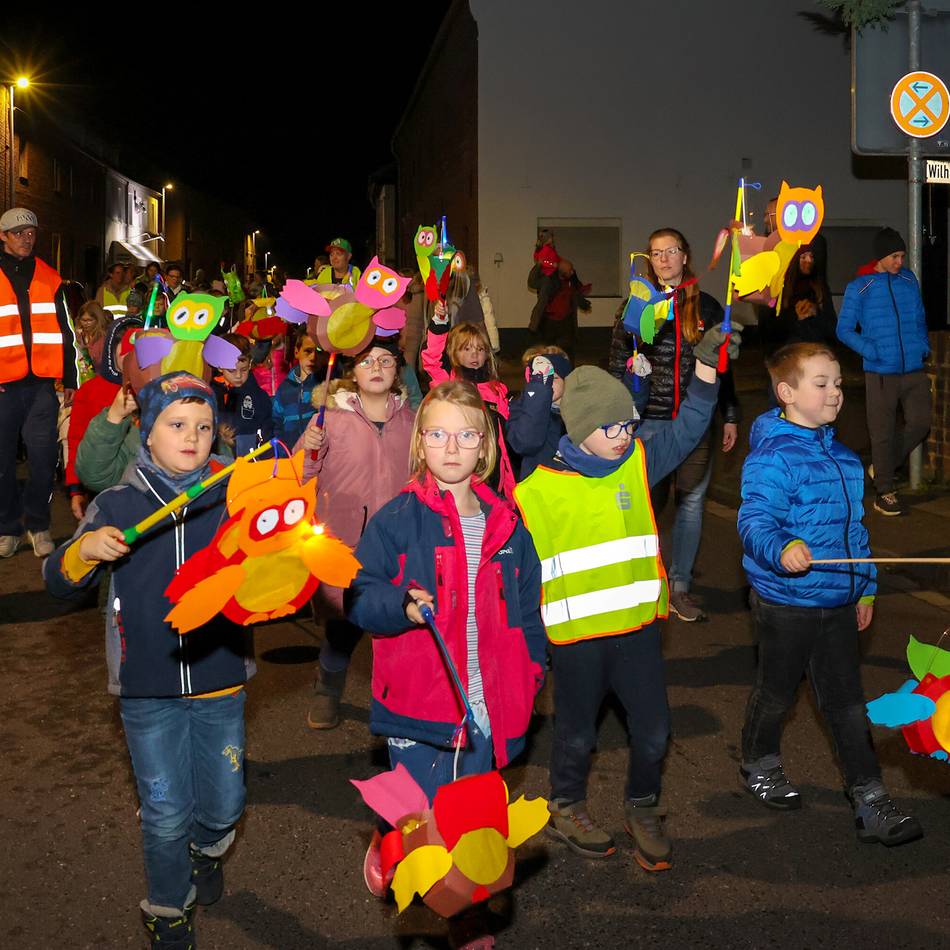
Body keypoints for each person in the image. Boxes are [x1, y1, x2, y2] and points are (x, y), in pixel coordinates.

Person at [513, 326, 738, 869]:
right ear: (581, 429)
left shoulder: (636, 463)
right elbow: (519, 578)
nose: (623, 434)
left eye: (629, 424)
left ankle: (642, 806)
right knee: (576, 734)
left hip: (637, 632)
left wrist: (706, 373)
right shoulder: (537, 490)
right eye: (611, 427)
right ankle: (566, 805)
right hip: (576, 641)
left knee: (655, 730)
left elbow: (687, 429)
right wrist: (526, 644)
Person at [45, 373, 255, 946]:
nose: (192, 437)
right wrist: (84, 550)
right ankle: (168, 908)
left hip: (219, 678)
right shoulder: (118, 502)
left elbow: (269, 571)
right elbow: (56, 582)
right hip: (146, 689)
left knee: (225, 805)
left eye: (205, 426)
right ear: (148, 429)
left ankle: (207, 848)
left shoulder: (234, 495)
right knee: (163, 813)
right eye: (177, 424)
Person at [346, 381, 545, 926]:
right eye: (437, 434)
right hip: (421, 707)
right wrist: (399, 605)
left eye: (465, 435)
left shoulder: (508, 525)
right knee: (420, 824)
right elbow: (357, 594)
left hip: (488, 708)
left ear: (484, 446)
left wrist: (533, 669)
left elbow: (530, 606)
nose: (451, 447)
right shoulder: (397, 519)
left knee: (470, 829)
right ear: (421, 443)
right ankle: (392, 837)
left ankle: (466, 923)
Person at [738, 342, 922, 846]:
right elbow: (755, 520)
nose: (835, 392)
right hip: (785, 604)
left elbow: (856, 533)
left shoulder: (843, 458)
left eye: (838, 383)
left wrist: (865, 590)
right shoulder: (771, 457)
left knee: (845, 704)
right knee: (777, 694)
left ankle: (870, 799)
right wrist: (783, 546)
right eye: (821, 383)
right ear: (787, 392)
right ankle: (759, 761)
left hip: (838, 602)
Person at [610, 227, 741, 622]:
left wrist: (730, 414)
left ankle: (680, 587)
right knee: (642, 502)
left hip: (694, 420)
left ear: (685, 256)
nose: (664, 258)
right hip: (647, 421)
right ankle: (643, 580)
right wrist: (618, 416)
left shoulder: (710, 308)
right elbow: (617, 362)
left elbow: (724, 368)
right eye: (656, 252)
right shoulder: (636, 306)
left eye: (672, 251)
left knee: (692, 502)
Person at [293, 336, 415, 729]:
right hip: (348, 540)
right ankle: (327, 687)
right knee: (343, 627)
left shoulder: (413, 421)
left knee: (400, 624)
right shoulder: (329, 419)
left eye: (385, 360)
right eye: (367, 362)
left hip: (399, 543)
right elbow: (300, 477)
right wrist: (310, 450)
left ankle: (400, 705)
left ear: (397, 370)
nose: (376, 368)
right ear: (352, 373)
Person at [836, 227, 931, 517]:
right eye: (894, 256)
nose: (899, 262)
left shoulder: (908, 280)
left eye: (902, 256)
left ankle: (883, 466)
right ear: (881, 256)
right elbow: (843, 329)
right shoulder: (860, 287)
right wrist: (870, 349)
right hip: (880, 371)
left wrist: (922, 345)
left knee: (921, 422)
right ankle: (885, 493)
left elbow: (919, 318)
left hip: (913, 368)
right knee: (882, 433)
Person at [0, 207, 77, 558]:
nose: (26, 238)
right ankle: (8, 528)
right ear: (3, 236)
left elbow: (67, 331)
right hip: (3, 386)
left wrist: (71, 376)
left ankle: (38, 524)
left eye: (31, 232)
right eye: (18, 233)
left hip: (43, 385)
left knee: (44, 458)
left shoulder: (50, 276)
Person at [422, 314, 516, 500]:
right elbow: (432, 359)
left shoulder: (496, 389)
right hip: (461, 461)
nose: (474, 354)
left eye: (480, 349)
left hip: (493, 467)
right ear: (454, 352)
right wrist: (440, 323)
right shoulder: (449, 382)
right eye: (466, 349)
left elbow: (504, 441)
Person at [506, 345, 571, 480]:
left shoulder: (577, 410)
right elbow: (525, 443)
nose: (547, 384)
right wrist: (539, 396)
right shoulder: (521, 407)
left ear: (567, 381)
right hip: (536, 485)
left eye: (554, 378)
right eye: (542, 380)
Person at [211, 333, 273, 456]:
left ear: (250, 364)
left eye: (243, 370)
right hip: (217, 467)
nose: (238, 376)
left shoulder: (259, 397)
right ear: (219, 366)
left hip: (250, 464)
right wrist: (217, 432)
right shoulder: (210, 394)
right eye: (231, 370)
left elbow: (267, 436)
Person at [527, 244, 591, 361]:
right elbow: (532, 282)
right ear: (561, 272)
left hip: (566, 323)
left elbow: (576, 294)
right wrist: (538, 265)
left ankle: (568, 373)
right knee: (547, 352)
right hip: (549, 322)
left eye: (572, 270)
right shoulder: (548, 280)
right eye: (569, 271)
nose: (572, 272)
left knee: (568, 352)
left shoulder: (571, 282)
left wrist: (584, 304)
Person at [271, 328, 318, 449]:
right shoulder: (285, 389)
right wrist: (282, 452)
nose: (313, 357)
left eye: (318, 351)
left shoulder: (322, 386)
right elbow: (276, 424)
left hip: (315, 457)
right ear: (297, 352)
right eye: (308, 351)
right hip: (291, 456)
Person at [74, 300, 113, 380]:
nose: (86, 323)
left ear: (98, 320)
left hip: (102, 380)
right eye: (83, 320)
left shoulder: (105, 338)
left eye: (90, 320)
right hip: (80, 380)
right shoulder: (77, 336)